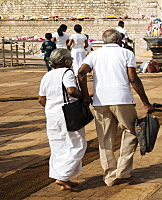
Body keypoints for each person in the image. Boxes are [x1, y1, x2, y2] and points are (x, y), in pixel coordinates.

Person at [77, 28, 155, 187]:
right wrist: (146, 102)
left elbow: (80, 73)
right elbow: (133, 79)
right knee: (132, 131)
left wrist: (85, 95)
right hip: (122, 99)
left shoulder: (94, 55)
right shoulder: (126, 53)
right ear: (119, 41)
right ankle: (123, 170)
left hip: (100, 101)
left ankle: (110, 176)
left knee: (105, 139)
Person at [38, 47, 88, 192]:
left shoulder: (47, 75)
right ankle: (63, 176)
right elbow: (71, 90)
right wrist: (83, 96)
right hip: (67, 114)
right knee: (78, 144)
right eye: (70, 60)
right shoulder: (67, 72)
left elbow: (41, 99)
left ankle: (64, 178)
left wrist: (53, 106)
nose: (72, 62)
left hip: (52, 115)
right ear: (66, 61)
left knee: (58, 146)